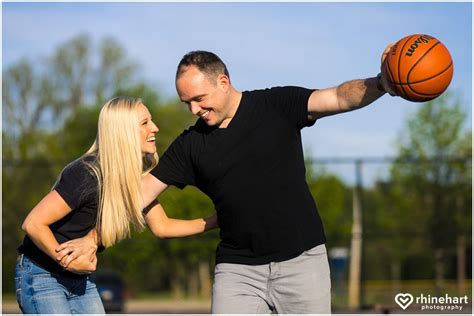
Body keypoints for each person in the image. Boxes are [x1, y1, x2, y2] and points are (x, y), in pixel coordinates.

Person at [64, 47, 396, 313]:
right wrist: (93, 238)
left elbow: (338, 97)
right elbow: (138, 194)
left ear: (223, 81)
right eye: (186, 103)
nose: (194, 109)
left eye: (199, 99)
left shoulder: (276, 105)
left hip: (302, 261)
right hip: (238, 270)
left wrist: (382, 82)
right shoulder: (190, 145)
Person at [15, 96, 217, 314]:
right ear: (123, 132)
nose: (155, 128)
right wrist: (66, 262)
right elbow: (33, 223)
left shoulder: (133, 179)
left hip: (79, 279)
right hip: (42, 274)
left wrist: (216, 221)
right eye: (145, 123)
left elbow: (162, 226)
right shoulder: (86, 174)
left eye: (152, 121)